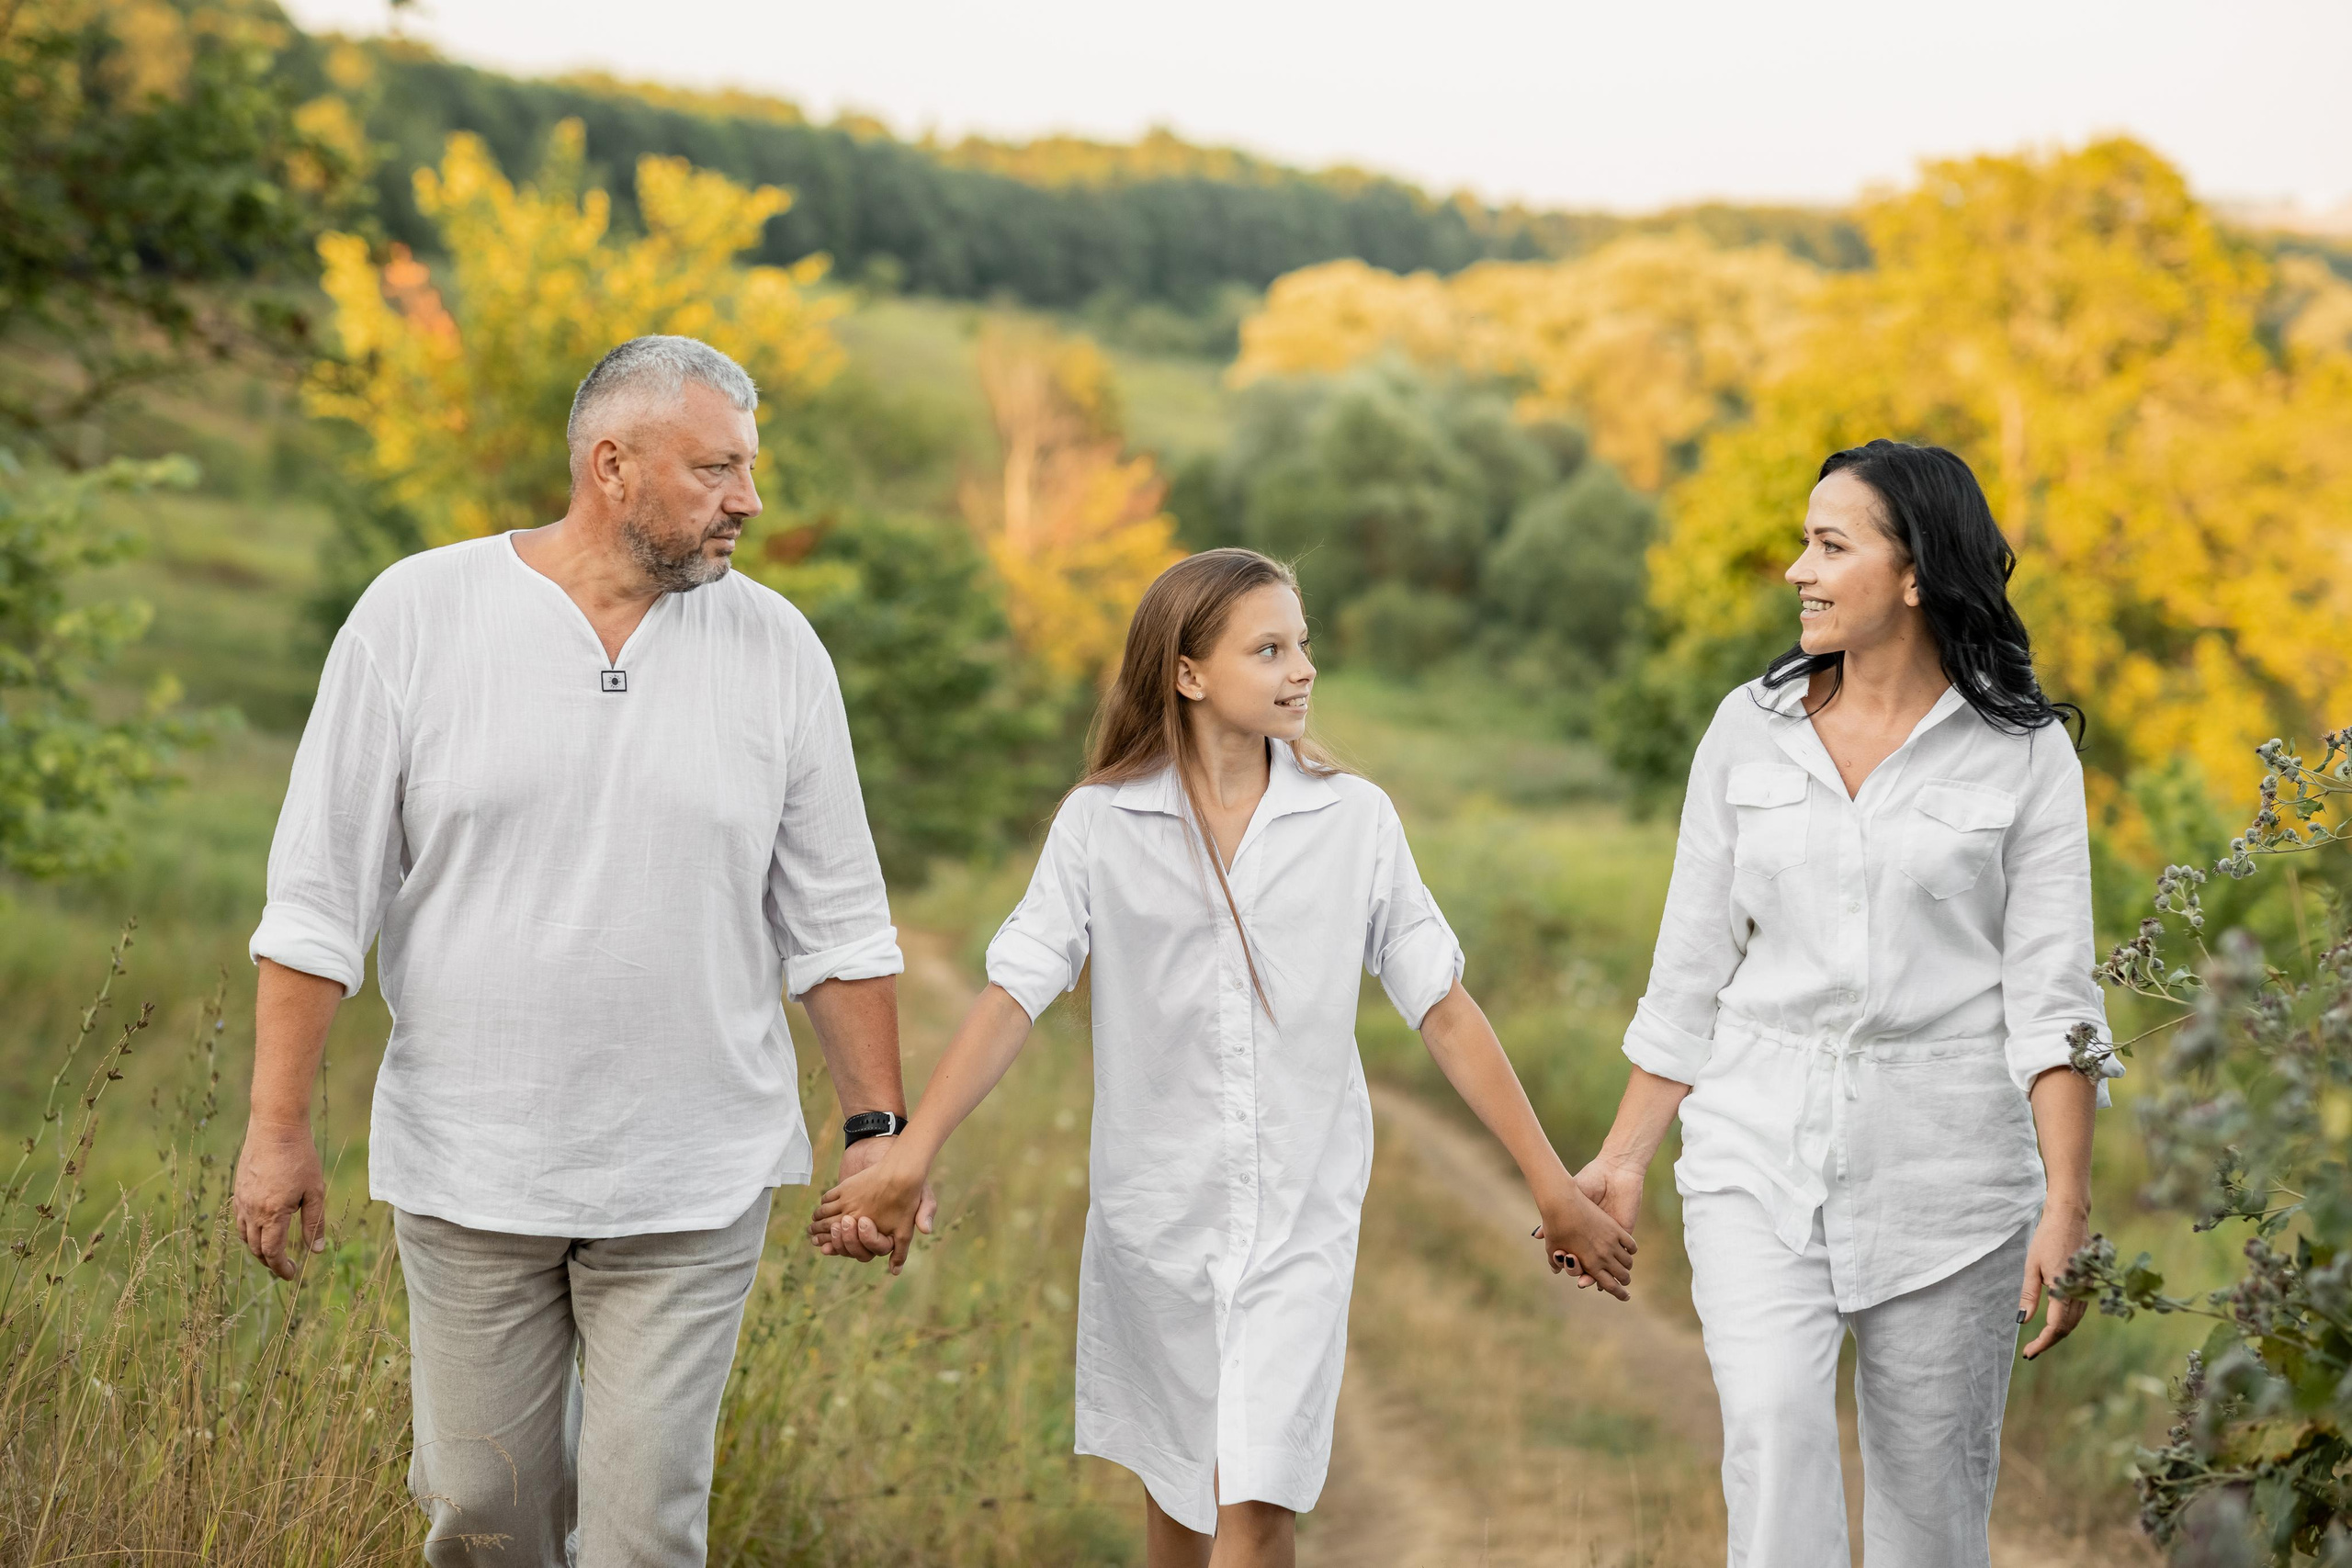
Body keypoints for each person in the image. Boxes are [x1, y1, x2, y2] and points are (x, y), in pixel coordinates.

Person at [232, 335, 926, 1566]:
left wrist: (880, 1135)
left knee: (646, 1530)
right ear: (612, 466)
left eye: (749, 468)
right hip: (470, 1167)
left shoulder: (779, 652)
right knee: (483, 1516)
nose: (748, 500)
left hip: (691, 1178)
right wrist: (276, 1126)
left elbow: (838, 923)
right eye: (717, 468)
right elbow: (317, 899)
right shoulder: (416, 615)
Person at [812, 547, 1635, 1568]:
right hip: (1156, 1219)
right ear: (1189, 674)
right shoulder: (1100, 825)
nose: (1302, 671)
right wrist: (909, 1154)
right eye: (1270, 649)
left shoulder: (1354, 821)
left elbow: (1444, 1008)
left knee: (1257, 1505)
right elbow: (1011, 994)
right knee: (1183, 1503)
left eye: (1303, 646)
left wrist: (1551, 1185)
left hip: (1299, 1219)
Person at [1572, 440, 2116, 1565]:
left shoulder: (2023, 757)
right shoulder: (1744, 728)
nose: (1796, 572)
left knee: (1930, 1512)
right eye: (1803, 543)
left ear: (1914, 573)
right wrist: (1623, 1158)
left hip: (1953, 1183)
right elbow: (1689, 971)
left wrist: (2065, 1204)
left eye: (1829, 545)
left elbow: (2053, 1003)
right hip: (1754, 1153)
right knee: (1772, 1442)